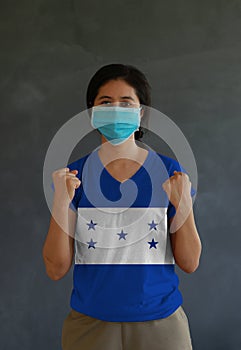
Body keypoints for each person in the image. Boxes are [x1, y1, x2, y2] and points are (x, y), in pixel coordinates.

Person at [42, 64, 202, 350]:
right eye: (106, 102)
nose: (116, 109)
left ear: (141, 113)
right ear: (92, 113)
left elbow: (189, 263)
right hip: (90, 326)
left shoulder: (169, 173)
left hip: (162, 325)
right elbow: (56, 269)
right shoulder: (73, 179)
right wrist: (60, 201)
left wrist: (184, 205)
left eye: (126, 103)